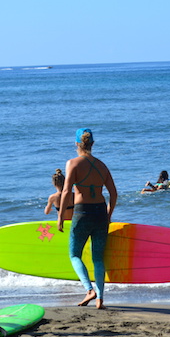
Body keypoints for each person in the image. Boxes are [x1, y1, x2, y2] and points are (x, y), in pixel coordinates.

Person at [58, 128, 117, 310]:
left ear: (77, 143)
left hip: (82, 213)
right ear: (92, 144)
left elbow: (67, 191)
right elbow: (114, 194)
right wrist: (108, 215)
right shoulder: (102, 165)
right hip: (100, 213)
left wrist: (60, 217)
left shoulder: (72, 164)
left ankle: (89, 289)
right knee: (98, 258)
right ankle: (100, 299)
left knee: (74, 254)